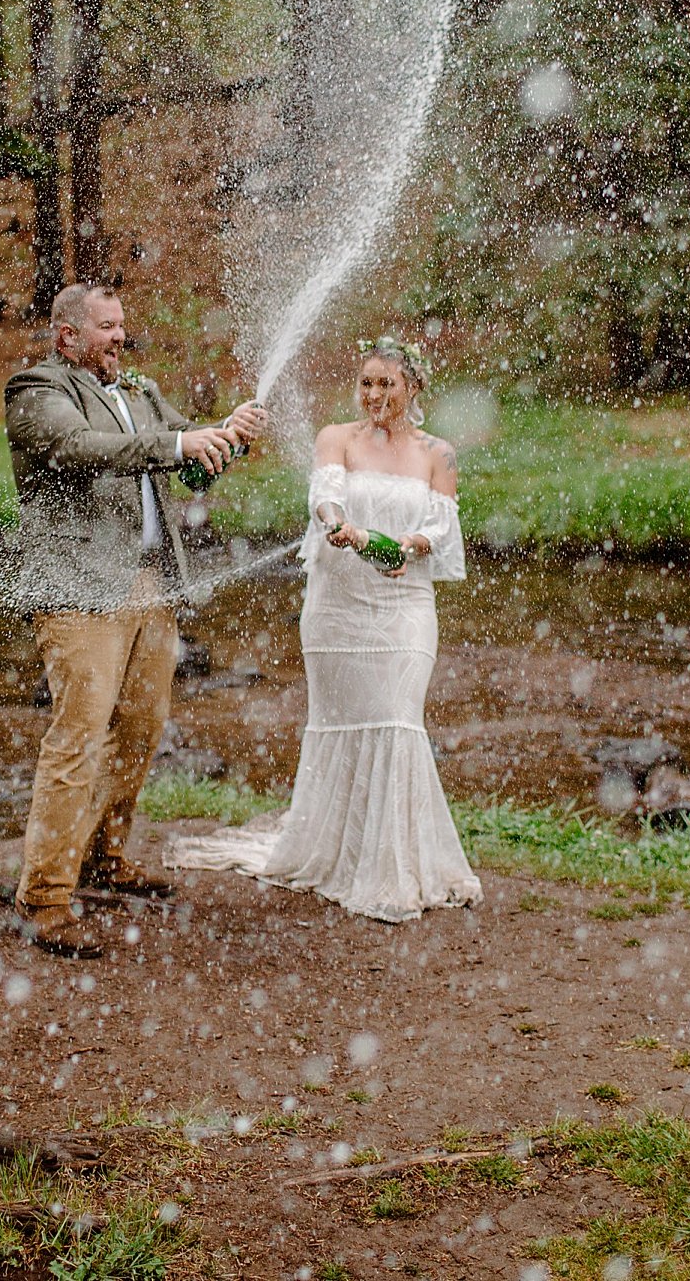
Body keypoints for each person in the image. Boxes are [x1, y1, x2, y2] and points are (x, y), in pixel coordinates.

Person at [168, 335, 481, 922]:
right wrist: (340, 525)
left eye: (387, 383)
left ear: (413, 387)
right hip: (337, 608)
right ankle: (343, 852)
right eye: (367, 382)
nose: (375, 394)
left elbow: (437, 536)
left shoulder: (440, 452)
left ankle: (393, 868)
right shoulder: (335, 438)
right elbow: (325, 499)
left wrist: (391, 544)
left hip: (404, 607)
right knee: (339, 725)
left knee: (397, 720)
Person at [5, 282, 266, 956]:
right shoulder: (37, 390)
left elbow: (191, 468)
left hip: (149, 587)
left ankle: (102, 860)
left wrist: (227, 440)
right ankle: (43, 899)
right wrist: (181, 442)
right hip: (79, 591)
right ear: (67, 337)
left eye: (121, 325)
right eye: (105, 327)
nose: (119, 336)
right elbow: (84, 450)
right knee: (78, 739)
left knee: (142, 729)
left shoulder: (142, 392)